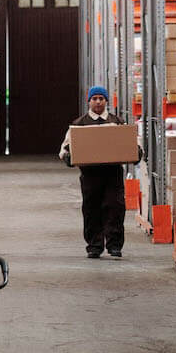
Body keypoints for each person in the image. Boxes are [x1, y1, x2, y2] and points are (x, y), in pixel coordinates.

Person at [60, 86, 128, 260]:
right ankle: (94, 246)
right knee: (91, 210)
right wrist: (69, 157)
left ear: (106, 101)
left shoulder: (117, 122)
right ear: (89, 101)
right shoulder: (79, 124)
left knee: (115, 207)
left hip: (113, 174)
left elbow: (132, 143)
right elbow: (65, 148)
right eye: (94, 98)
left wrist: (137, 153)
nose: (98, 102)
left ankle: (114, 245)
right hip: (90, 175)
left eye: (101, 98)